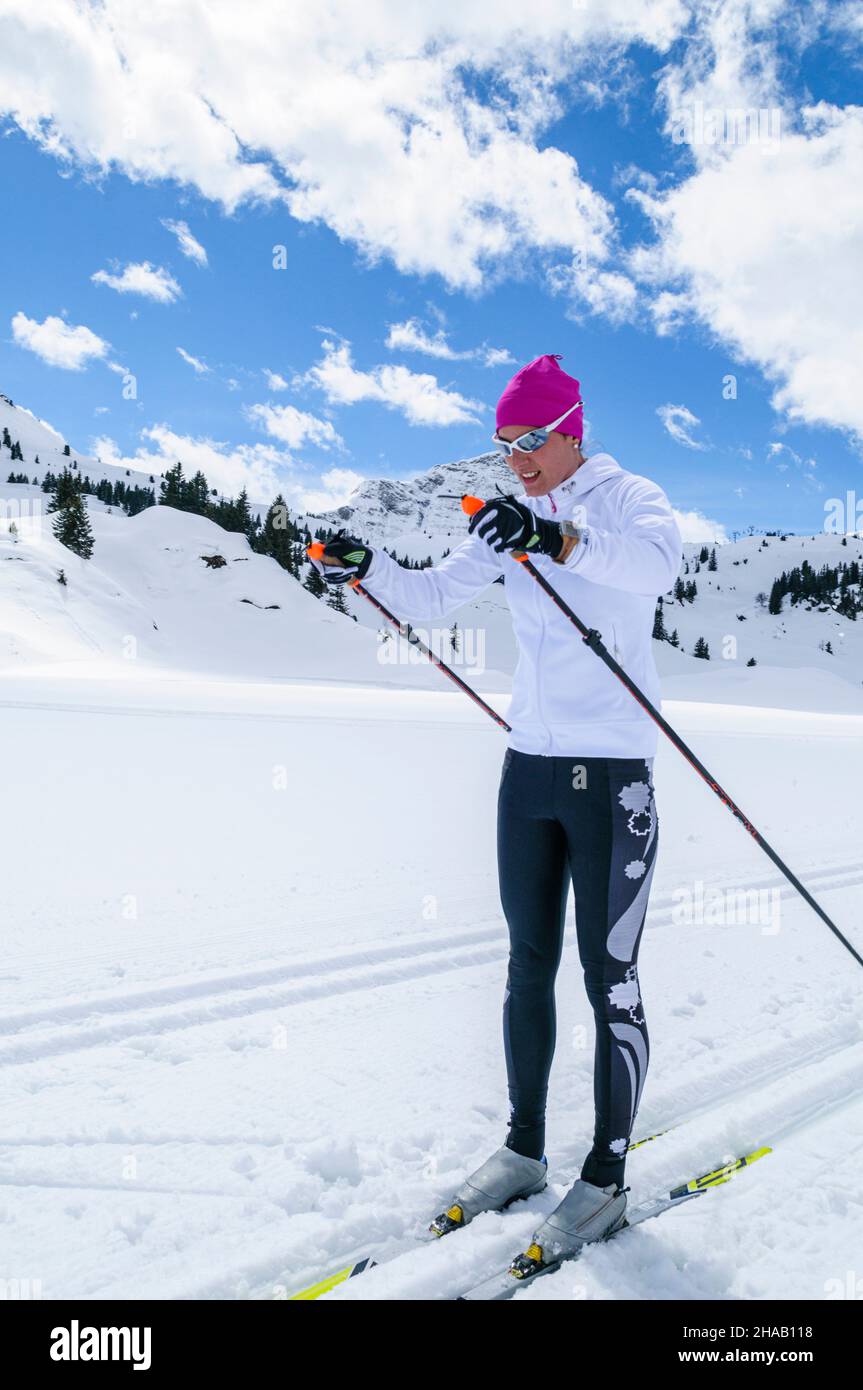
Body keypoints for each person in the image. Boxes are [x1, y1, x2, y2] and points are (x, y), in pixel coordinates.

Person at [310, 354, 683, 1268]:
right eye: (501, 446)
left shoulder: (629, 499)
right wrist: (367, 567)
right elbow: (436, 594)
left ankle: (604, 1175)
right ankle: (523, 1150)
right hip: (530, 771)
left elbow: (657, 570)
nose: (512, 460)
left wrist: (557, 542)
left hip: (612, 772)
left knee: (611, 981)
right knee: (526, 967)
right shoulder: (507, 512)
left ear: (570, 430)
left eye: (526, 443)